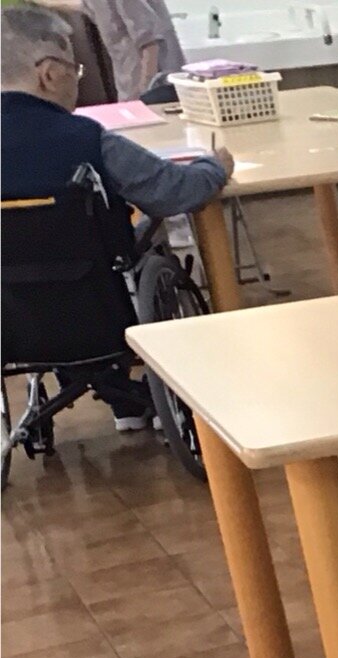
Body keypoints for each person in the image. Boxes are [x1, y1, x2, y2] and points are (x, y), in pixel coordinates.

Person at [1, 1, 228, 428]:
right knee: (134, 247)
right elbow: (175, 193)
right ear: (48, 74)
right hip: (100, 310)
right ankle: (132, 394)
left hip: (9, 321)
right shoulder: (87, 139)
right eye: (75, 70)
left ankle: (117, 397)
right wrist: (214, 166)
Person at [79, 0, 185, 98]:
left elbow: (150, 43)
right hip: (129, 87)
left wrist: (144, 92)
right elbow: (89, 8)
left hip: (155, 89)